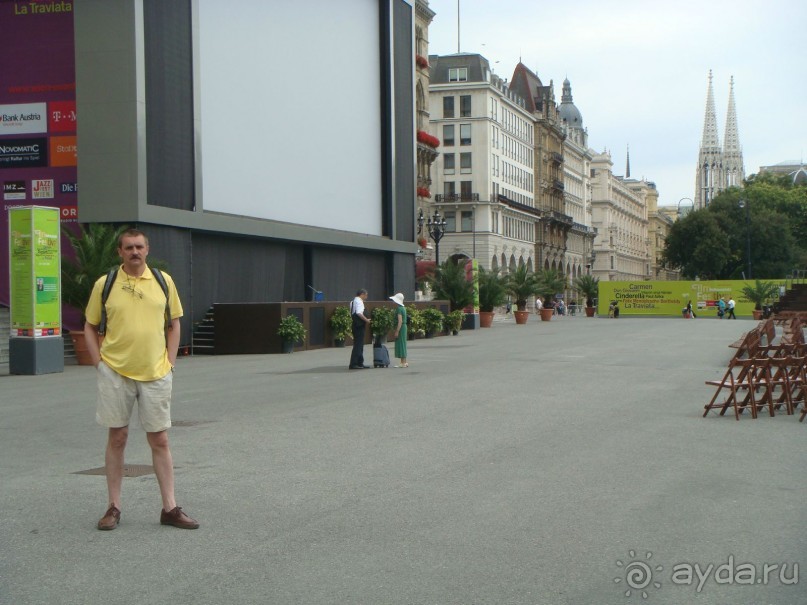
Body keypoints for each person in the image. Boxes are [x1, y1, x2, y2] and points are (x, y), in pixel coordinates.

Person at [84, 228, 198, 531]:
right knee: (117, 438)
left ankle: (170, 508)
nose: (134, 251)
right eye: (128, 247)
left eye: (139, 247)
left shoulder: (163, 281)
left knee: (159, 439)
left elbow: (174, 323)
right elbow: (90, 325)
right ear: (120, 252)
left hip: (156, 373)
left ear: (147, 250)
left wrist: (170, 363)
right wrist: (99, 364)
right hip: (115, 373)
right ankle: (113, 507)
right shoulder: (105, 284)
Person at [349, 289, 371, 369]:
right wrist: (366, 320)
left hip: (355, 324)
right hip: (359, 325)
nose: (366, 297)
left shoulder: (353, 301)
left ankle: (360, 362)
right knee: (358, 345)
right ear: (362, 294)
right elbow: (359, 313)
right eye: (366, 295)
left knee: (359, 344)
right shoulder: (359, 301)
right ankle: (354, 363)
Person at [389, 292, 408, 368]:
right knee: (403, 343)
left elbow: (400, 321)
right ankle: (404, 362)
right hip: (404, 327)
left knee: (401, 344)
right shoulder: (403, 308)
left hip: (401, 327)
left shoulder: (399, 309)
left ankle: (402, 362)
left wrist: (397, 331)